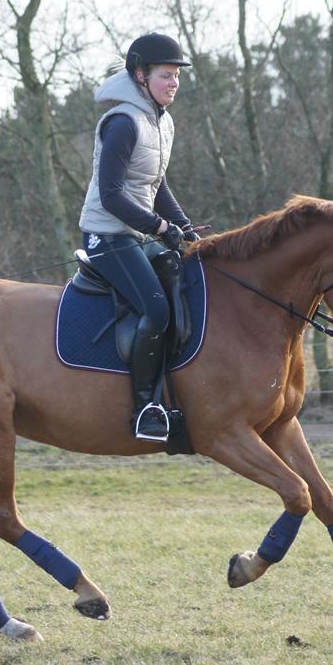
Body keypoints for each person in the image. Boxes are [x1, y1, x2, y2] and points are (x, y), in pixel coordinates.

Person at [78, 32, 200, 443]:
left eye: (177, 78)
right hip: (107, 234)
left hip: (139, 232)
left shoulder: (161, 121)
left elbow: (155, 184)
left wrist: (185, 228)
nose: (174, 84)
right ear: (139, 75)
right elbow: (112, 196)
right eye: (166, 76)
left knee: (186, 289)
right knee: (156, 309)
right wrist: (161, 228)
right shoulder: (124, 123)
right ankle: (146, 408)